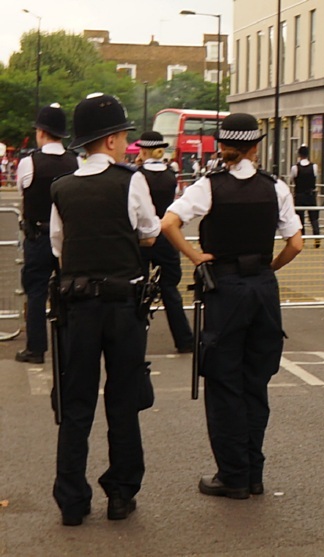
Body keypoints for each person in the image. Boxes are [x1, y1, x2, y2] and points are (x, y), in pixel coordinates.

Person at [161, 113, 303, 500]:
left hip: (225, 288)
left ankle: (233, 475)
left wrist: (195, 256)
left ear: (222, 146)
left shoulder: (208, 186)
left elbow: (168, 223)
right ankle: (254, 473)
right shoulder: (275, 187)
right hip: (263, 288)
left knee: (224, 382)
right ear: (255, 147)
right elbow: (295, 243)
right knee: (256, 381)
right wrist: (269, 269)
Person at [50, 93, 161, 525]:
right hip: (123, 304)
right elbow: (149, 230)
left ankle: (72, 501)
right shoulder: (130, 181)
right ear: (112, 140)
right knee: (123, 399)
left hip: (78, 306)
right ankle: (120, 492)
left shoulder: (62, 187)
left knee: (76, 403)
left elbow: (59, 247)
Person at [15, 103, 79, 364]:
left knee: (36, 291)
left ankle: (36, 349)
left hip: (38, 236)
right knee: (69, 292)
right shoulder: (76, 161)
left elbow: (23, 192)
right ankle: (69, 347)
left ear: (41, 132)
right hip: (68, 238)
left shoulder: (28, 163)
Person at [135, 131, 194, 353]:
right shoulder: (171, 175)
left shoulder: (137, 175)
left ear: (143, 151)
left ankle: (135, 339)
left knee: (137, 290)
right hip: (166, 236)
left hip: (142, 237)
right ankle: (184, 340)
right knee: (170, 290)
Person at [291, 145, 320, 247]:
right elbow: (315, 177)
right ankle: (317, 237)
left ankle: (302, 239)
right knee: (314, 217)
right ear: (308, 154)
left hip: (299, 195)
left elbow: (292, 179)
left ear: (299, 155)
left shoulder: (295, 168)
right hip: (311, 195)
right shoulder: (314, 167)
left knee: (300, 218)